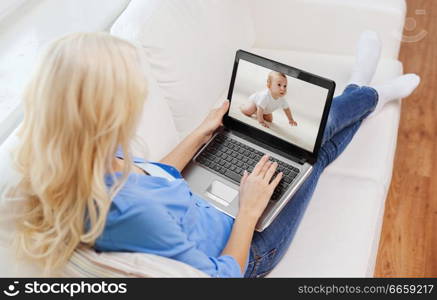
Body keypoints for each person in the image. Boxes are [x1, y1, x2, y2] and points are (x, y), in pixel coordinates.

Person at [8, 31, 420, 277]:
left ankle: (362, 91)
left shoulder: (74, 157)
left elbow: (158, 178)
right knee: (312, 151)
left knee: (305, 149)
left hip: (207, 201)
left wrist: (201, 132)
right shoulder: (129, 214)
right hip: (248, 246)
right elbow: (224, 277)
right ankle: (368, 93)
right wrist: (249, 210)